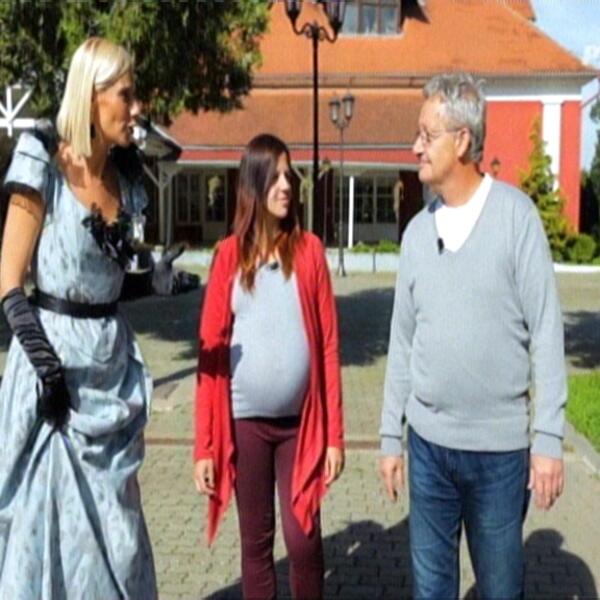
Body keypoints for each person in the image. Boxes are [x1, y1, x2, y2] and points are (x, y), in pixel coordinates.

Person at [379, 72, 567, 599]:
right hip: (428, 450)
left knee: (501, 590)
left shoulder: (516, 218)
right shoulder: (417, 234)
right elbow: (402, 341)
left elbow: (546, 331)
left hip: (499, 455)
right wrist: (391, 437)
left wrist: (549, 438)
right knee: (431, 590)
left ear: (462, 140)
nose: (416, 147)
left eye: (427, 135)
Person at [0, 38, 157, 599]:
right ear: (91, 96)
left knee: (121, 538)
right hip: (53, 378)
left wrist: (156, 280)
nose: (137, 107)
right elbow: (8, 278)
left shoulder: (129, 181)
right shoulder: (42, 158)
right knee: (51, 535)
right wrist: (44, 366)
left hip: (110, 372)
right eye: (126, 95)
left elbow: (109, 282)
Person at [193, 133, 344, 600]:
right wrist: (204, 447)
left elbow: (328, 348)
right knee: (256, 545)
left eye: (288, 175)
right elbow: (209, 357)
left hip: (302, 426)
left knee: (303, 539)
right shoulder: (227, 258)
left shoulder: (310, 252)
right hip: (245, 426)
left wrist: (335, 437)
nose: (286, 185)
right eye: (275, 176)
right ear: (253, 185)